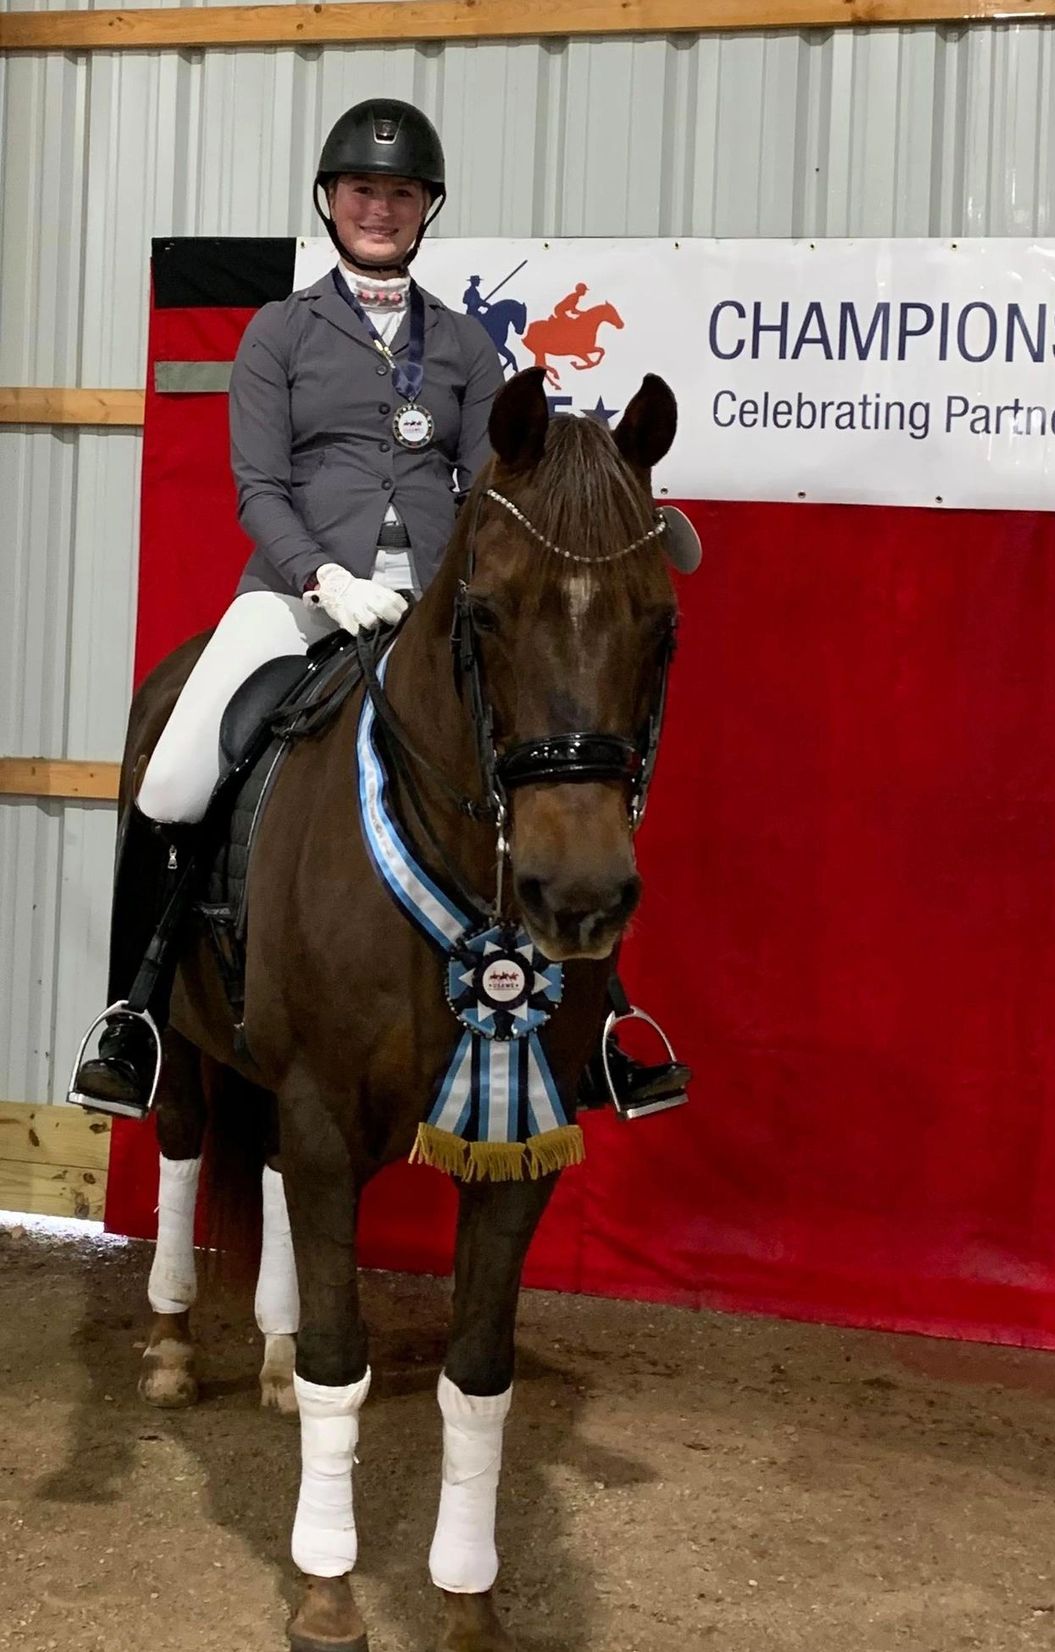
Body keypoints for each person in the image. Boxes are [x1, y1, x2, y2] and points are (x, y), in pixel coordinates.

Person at [68, 98, 690, 1122]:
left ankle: (601, 1026)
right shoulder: (280, 331)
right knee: (175, 773)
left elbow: (495, 480)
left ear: (424, 210)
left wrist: (450, 585)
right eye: (364, 191)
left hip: (432, 606)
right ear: (332, 201)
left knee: (534, 759)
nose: (381, 208)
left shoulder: (462, 343)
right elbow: (256, 485)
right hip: (297, 598)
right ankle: (135, 1018)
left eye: (401, 195)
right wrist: (322, 577)